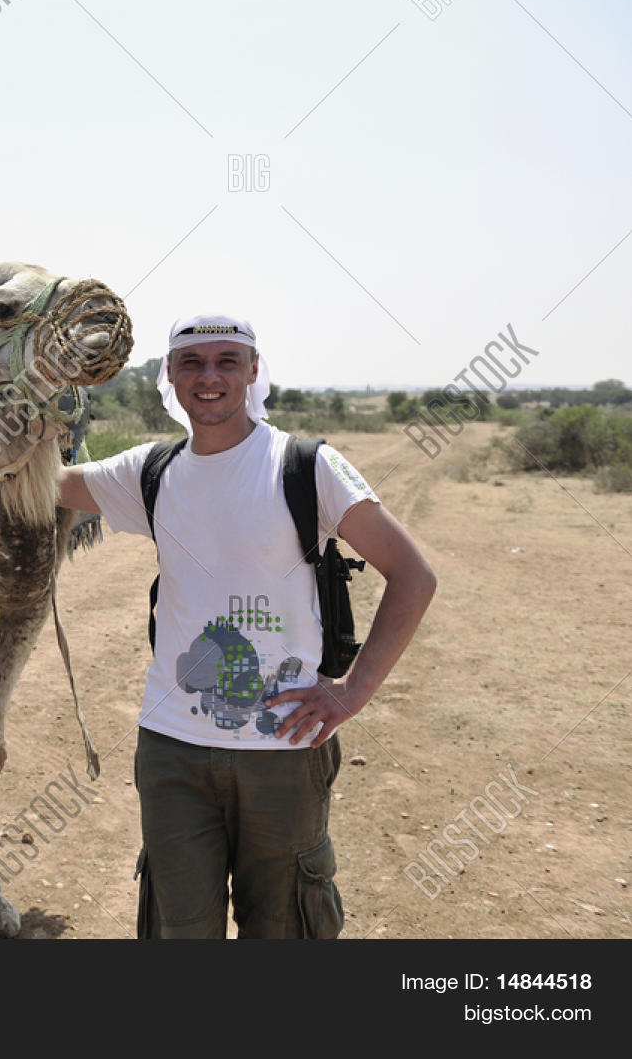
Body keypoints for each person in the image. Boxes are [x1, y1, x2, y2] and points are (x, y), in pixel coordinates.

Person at [56, 315, 436, 938]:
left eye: (227, 361)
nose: (209, 377)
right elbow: (46, 482)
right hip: (172, 750)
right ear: (170, 375)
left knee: (285, 927)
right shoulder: (149, 471)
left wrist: (352, 691)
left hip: (283, 751)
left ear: (253, 370)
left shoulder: (306, 465)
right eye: (192, 362)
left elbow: (413, 575)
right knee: (181, 930)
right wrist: (1, 391)